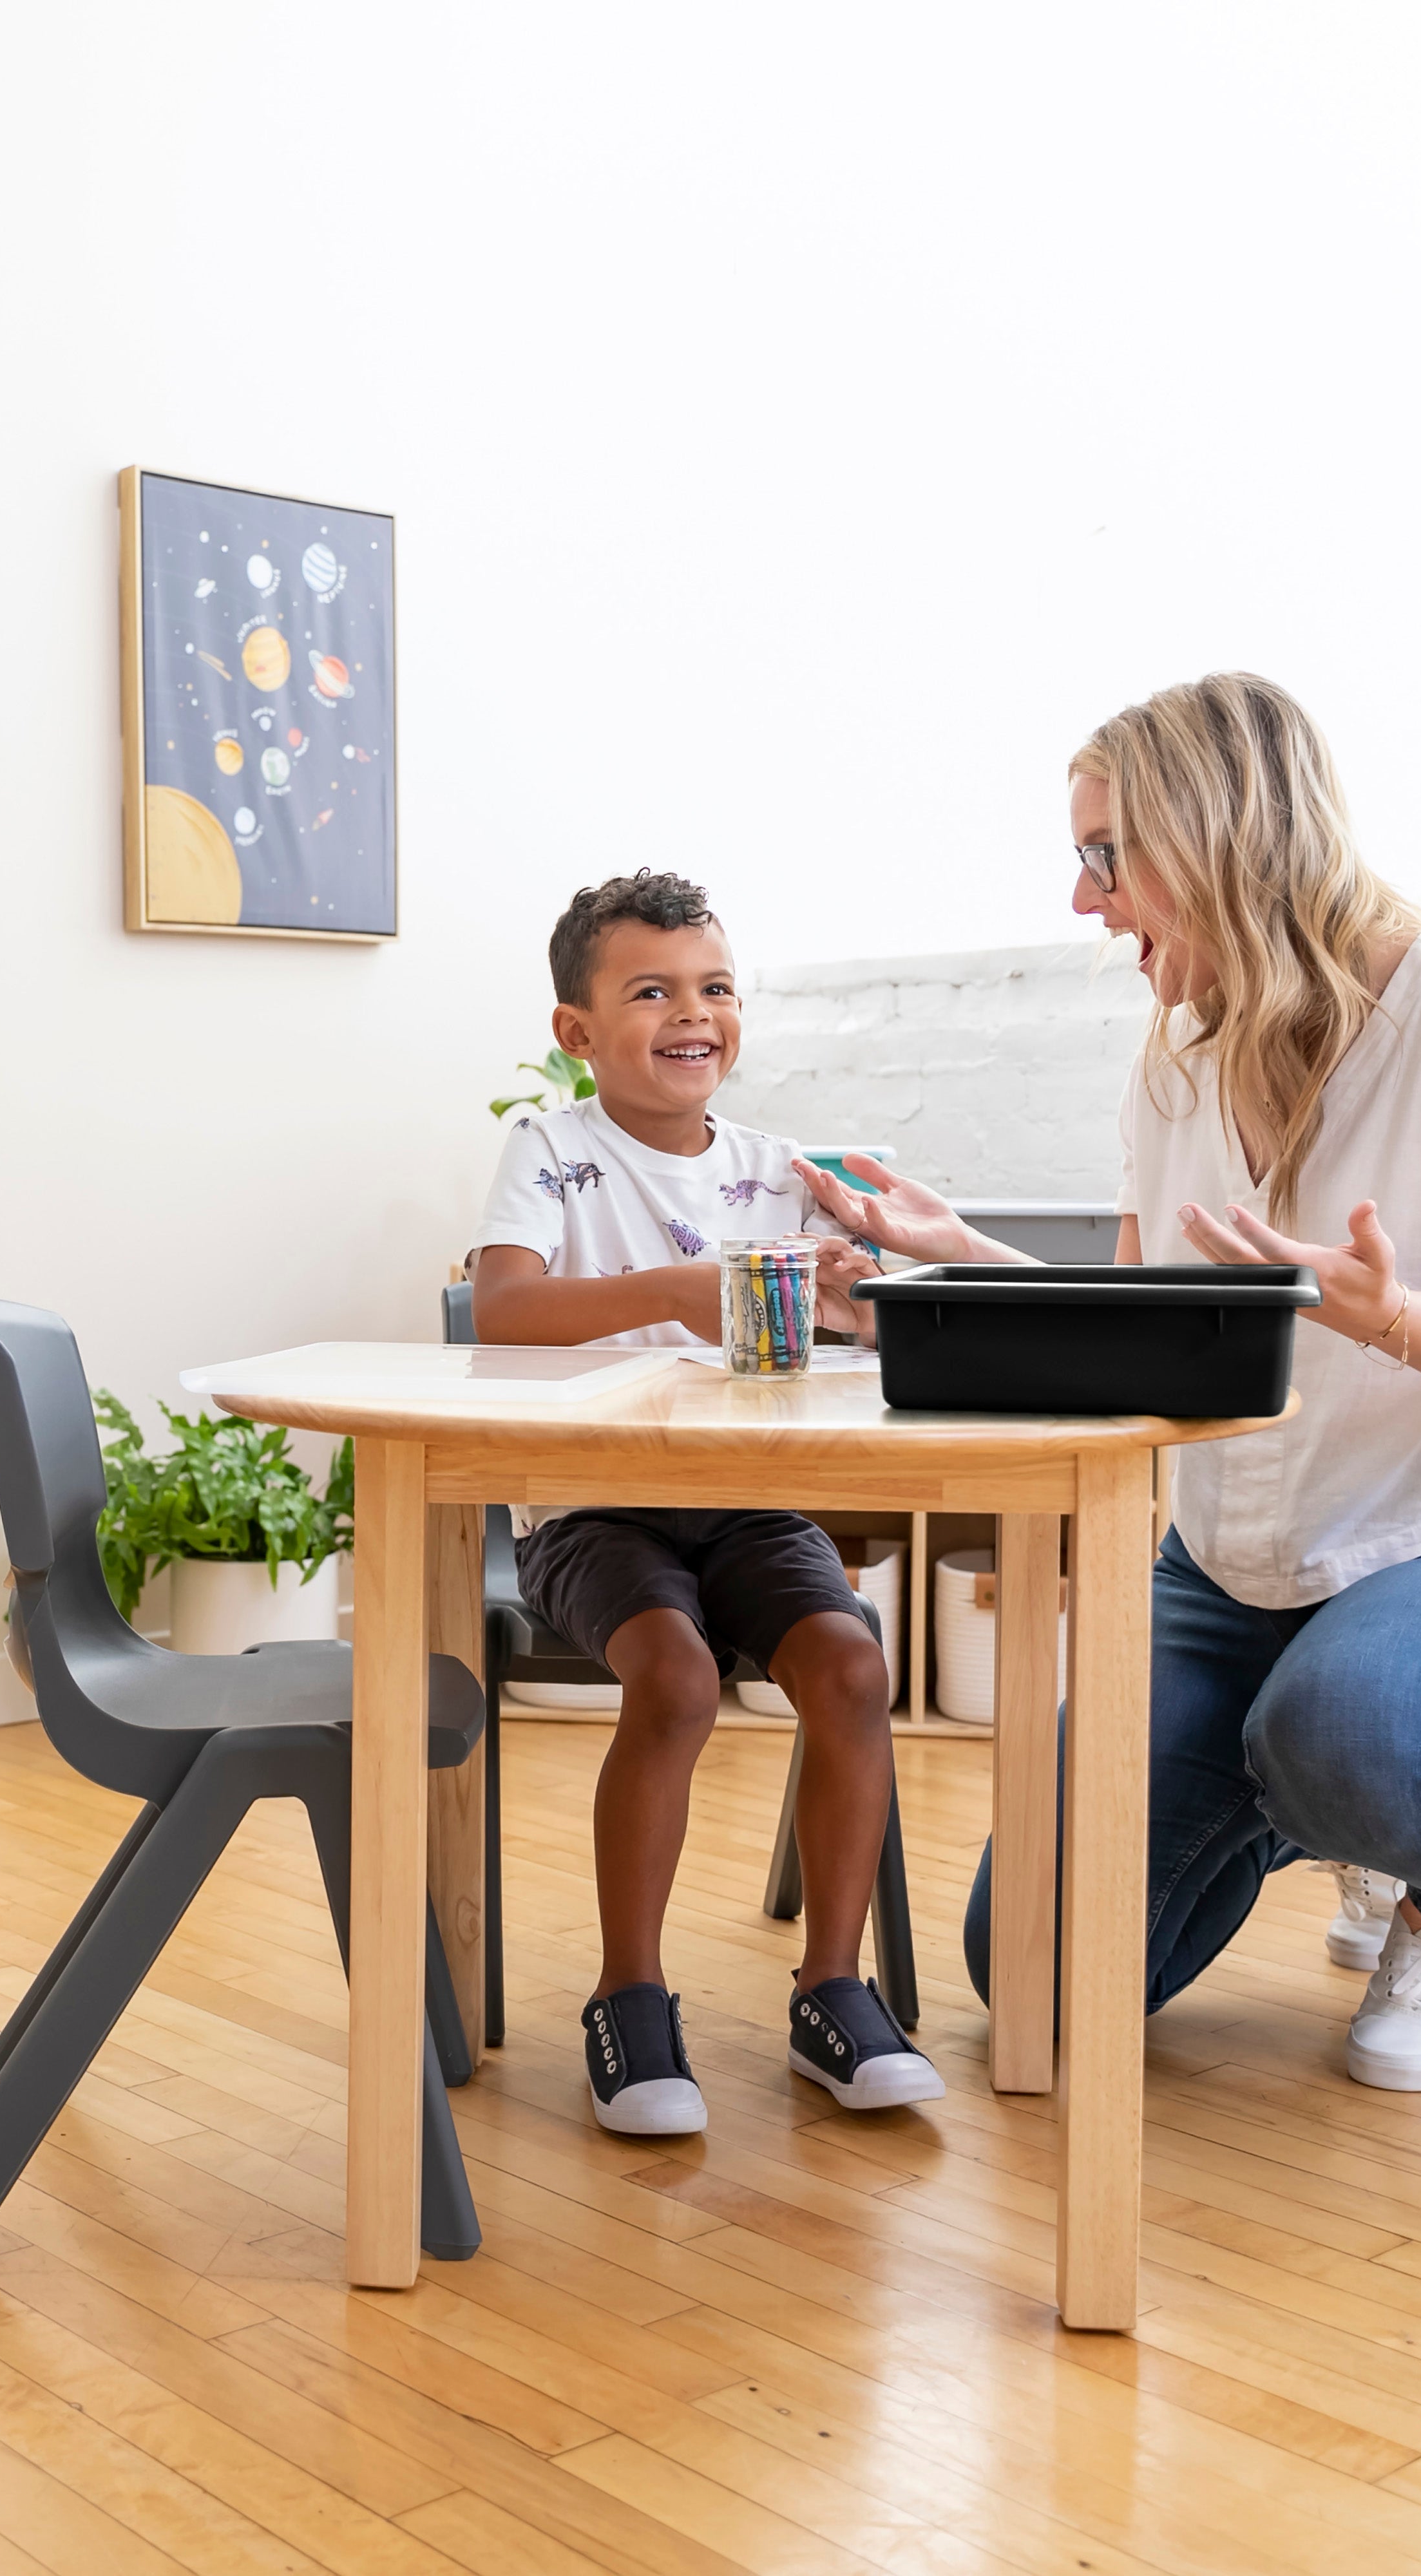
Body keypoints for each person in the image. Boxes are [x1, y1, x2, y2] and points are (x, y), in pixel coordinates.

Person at [799, 674, 1421, 2092]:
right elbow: (1144, 1331)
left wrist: (1389, 1317)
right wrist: (958, 1262)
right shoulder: (1175, 1058)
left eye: (1105, 854)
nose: (1084, 899)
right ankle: (1322, 1782)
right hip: (1227, 1583)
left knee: (1357, 1730)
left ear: (1218, 836)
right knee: (1032, 1976)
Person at [470, 868, 945, 2134]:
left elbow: (836, 1334)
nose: (693, 1013)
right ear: (577, 1030)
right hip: (589, 1507)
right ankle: (627, 1995)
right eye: (651, 992)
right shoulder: (551, 1151)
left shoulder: (777, 1171)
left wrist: (851, 1299)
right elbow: (503, 1308)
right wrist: (675, 1292)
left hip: (746, 1504)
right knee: (675, 1679)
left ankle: (832, 1987)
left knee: (851, 1666)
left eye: (715, 986)